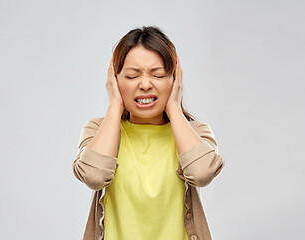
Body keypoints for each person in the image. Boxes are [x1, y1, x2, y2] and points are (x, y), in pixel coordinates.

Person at [72, 26, 225, 240]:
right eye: (133, 76)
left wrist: (173, 106)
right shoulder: (97, 130)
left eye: (159, 75)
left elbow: (202, 173)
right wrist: (115, 104)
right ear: (114, 81)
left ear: (175, 79)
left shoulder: (196, 132)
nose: (145, 85)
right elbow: (94, 177)